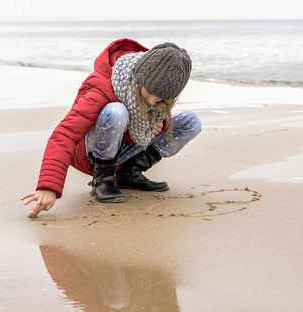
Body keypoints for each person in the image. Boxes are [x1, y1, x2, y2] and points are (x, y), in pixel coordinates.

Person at [21, 38, 201, 216]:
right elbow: (65, 135)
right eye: (152, 94)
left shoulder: (155, 98)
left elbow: (145, 129)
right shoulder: (101, 88)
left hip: (122, 151)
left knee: (191, 122)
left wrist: (156, 127)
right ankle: (103, 180)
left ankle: (129, 174)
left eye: (163, 100)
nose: (155, 102)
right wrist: (48, 187)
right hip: (91, 154)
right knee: (117, 111)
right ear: (141, 79)